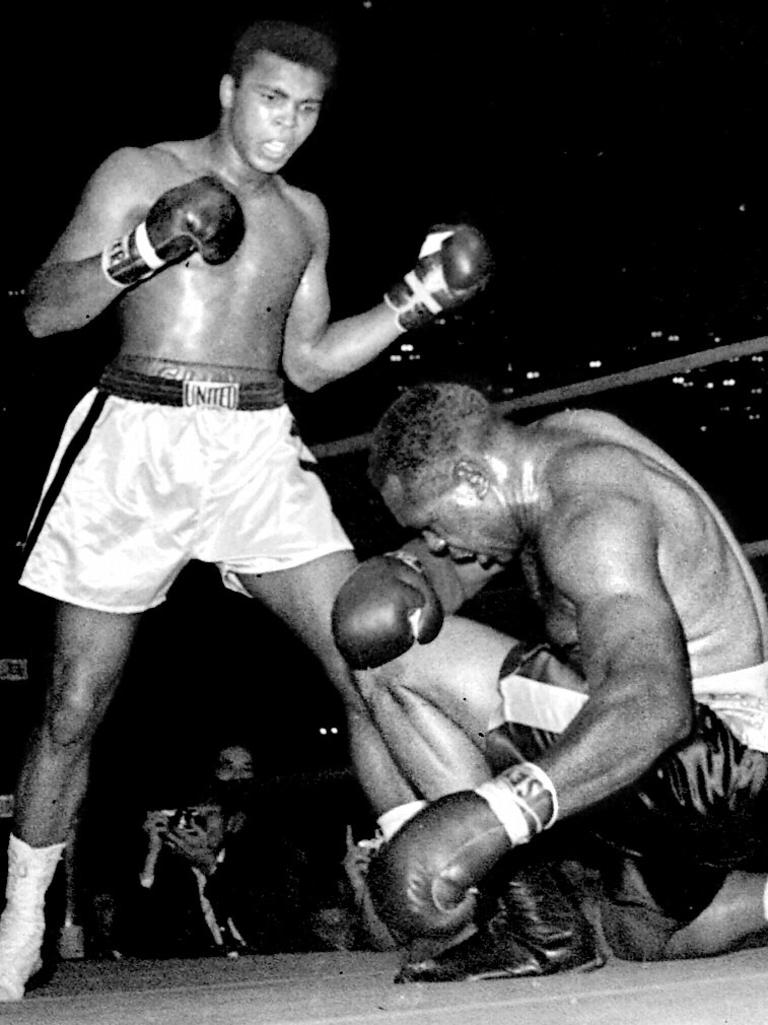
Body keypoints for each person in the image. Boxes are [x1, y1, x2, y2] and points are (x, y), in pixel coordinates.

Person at [0, 19, 492, 1000]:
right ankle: (17, 930)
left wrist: (417, 298)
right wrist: (142, 249)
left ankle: (431, 906)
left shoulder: (303, 216)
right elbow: (43, 309)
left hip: (257, 444)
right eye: (273, 100)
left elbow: (305, 359)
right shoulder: (140, 169)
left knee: (368, 651)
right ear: (228, 90)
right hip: (138, 431)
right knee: (73, 704)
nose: (288, 126)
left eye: (308, 110)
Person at [331, 382, 768, 981]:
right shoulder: (565, 444)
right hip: (733, 768)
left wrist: (495, 814)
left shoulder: (589, 515)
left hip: (710, 757)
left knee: (390, 663)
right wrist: (414, 570)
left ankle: (538, 927)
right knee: (635, 930)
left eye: (432, 524)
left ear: (474, 479)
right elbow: (480, 555)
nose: (434, 543)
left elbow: (655, 704)